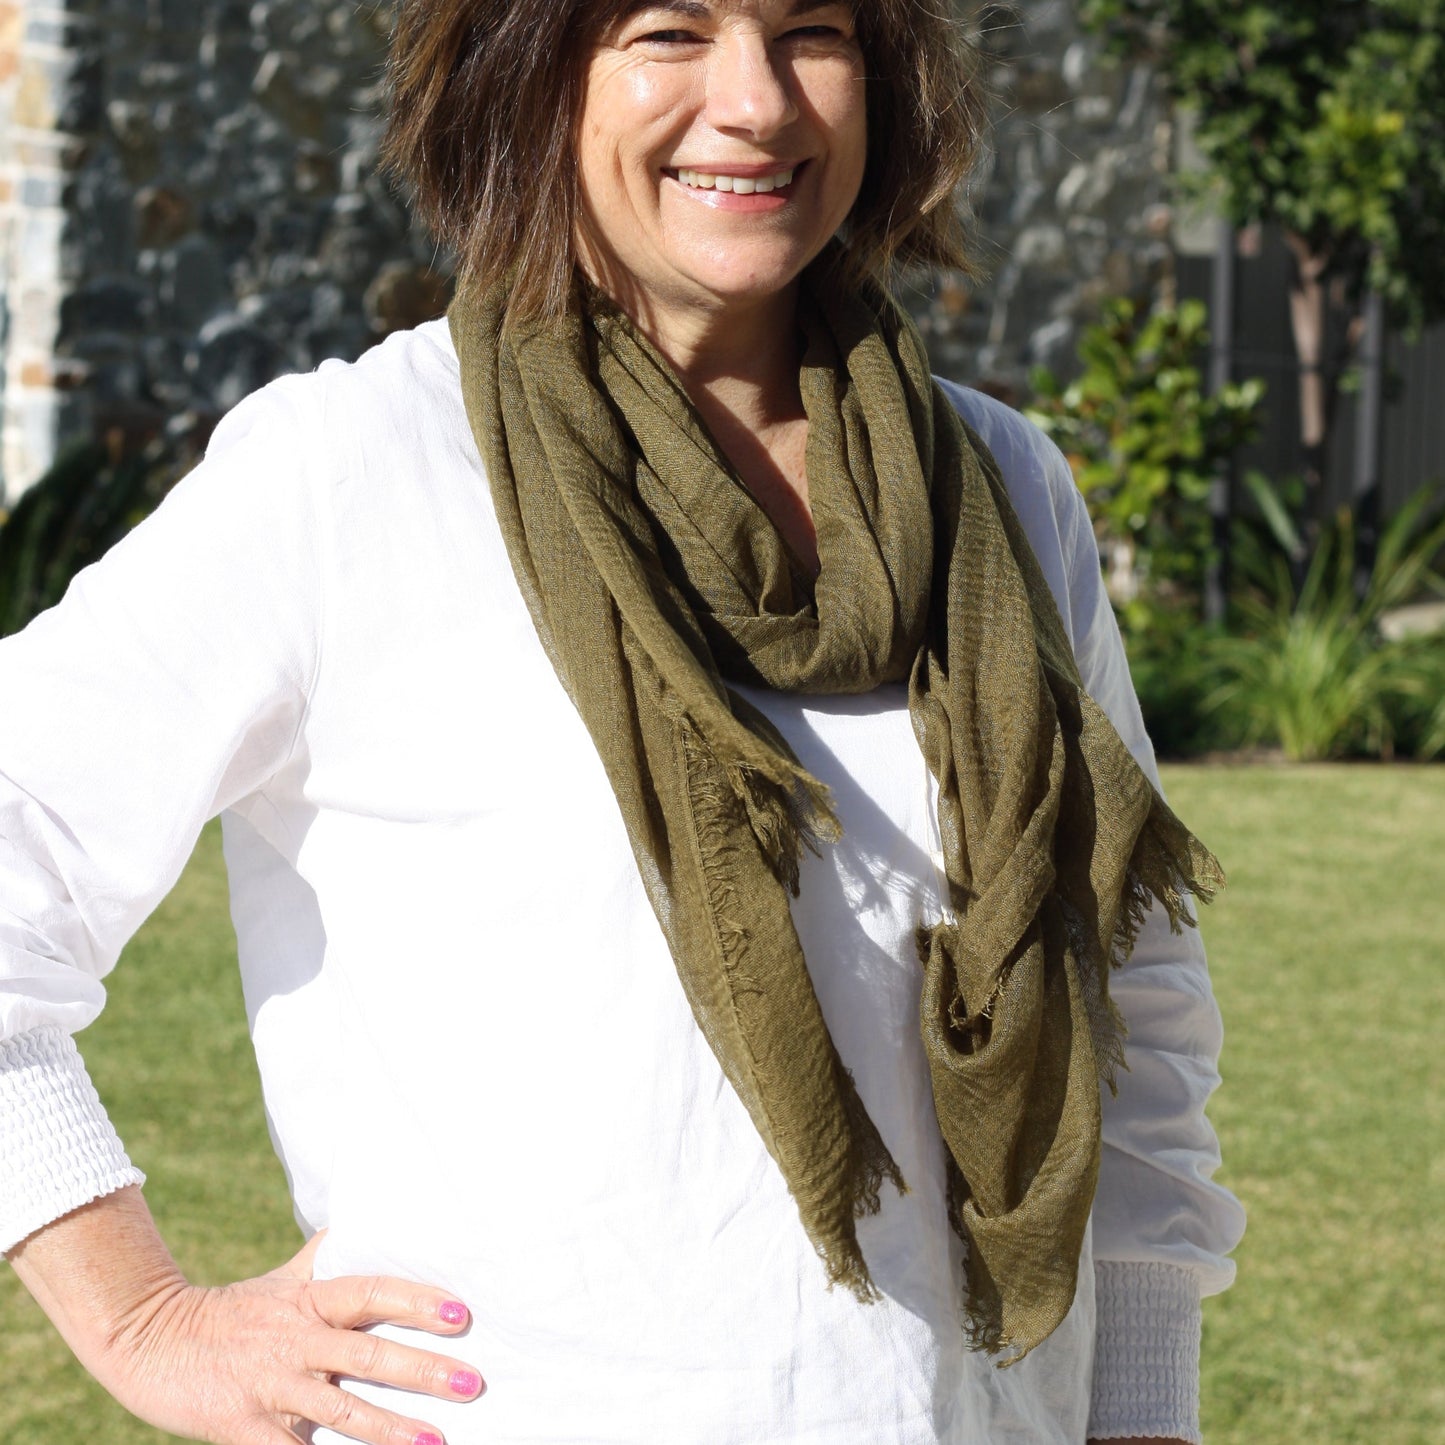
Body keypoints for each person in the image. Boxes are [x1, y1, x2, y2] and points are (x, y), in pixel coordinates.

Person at [0, 2, 1244, 1442]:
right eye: (667, 30)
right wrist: (147, 1321)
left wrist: (1142, 1403)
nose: (756, 102)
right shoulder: (353, 474)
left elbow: (1132, 996)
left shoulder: (998, 490)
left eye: (812, 32)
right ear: (526, 75)